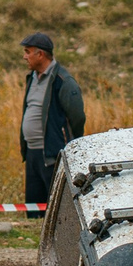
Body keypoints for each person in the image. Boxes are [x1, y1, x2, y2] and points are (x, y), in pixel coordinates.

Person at [17, 30, 85, 216]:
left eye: (28, 51)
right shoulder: (32, 78)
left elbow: (77, 117)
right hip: (32, 153)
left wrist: (70, 146)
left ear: (40, 54)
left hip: (53, 155)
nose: (25, 57)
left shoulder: (63, 81)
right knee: (33, 209)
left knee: (56, 210)